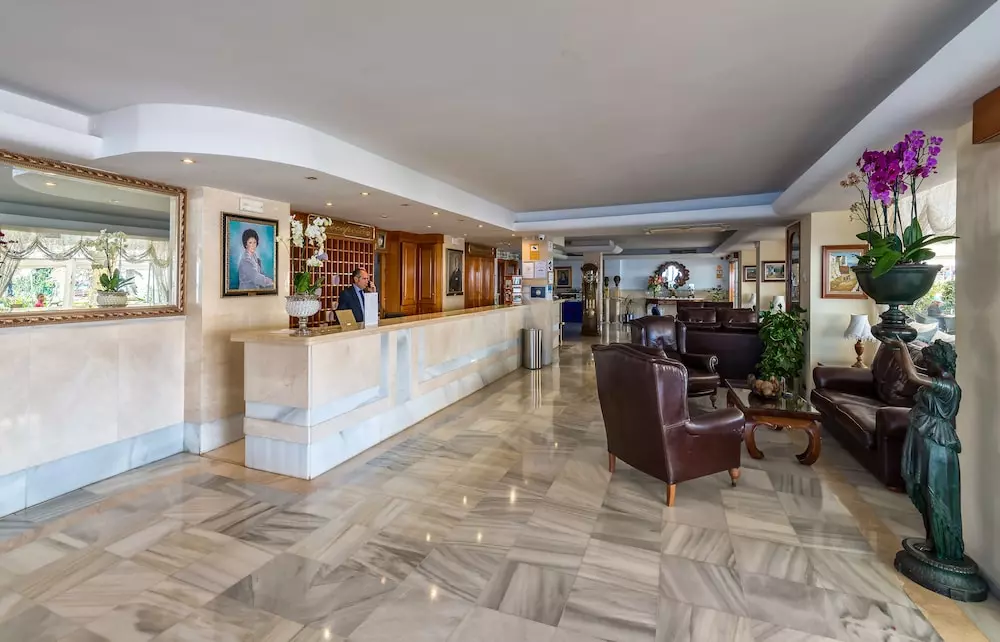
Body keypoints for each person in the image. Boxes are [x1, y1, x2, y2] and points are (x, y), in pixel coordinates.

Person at [889, 338, 965, 561]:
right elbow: (909, 369)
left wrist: (904, 346)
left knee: (934, 494)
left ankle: (945, 548)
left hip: (937, 445)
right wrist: (892, 344)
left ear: (938, 362)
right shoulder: (936, 378)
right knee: (921, 489)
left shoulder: (949, 387)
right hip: (923, 438)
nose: (925, 364)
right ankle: (931, 539)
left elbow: (913, 376)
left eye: (928, 361)